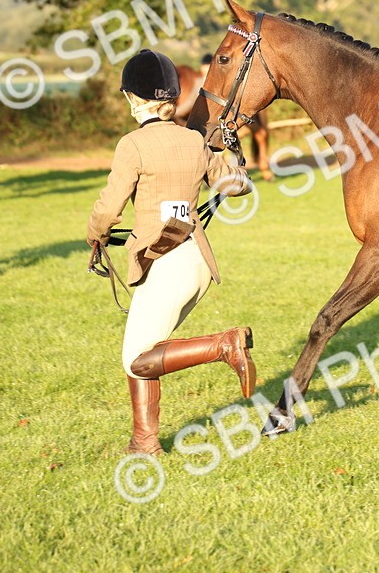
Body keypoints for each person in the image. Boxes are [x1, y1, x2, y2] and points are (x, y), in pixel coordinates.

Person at [86, 49, 256, 457]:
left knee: (138, 359)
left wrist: (94, 233)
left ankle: (225, 345)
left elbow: (110, 206)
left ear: (133, 98)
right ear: (172, 99)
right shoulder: (195, 142)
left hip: (163, 263)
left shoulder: (132, 144)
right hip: (194, 260)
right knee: (142, 349)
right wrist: (231, 159)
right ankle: (144, 442)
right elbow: (238, 185)